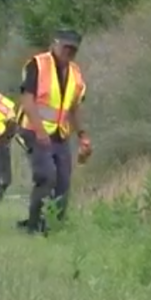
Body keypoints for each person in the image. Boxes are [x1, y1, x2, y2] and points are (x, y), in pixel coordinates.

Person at [16, 29, 92, 234]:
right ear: (55, 44)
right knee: (47, 176)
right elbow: (28, 99)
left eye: (73, 49)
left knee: (64, 181)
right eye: (66, 47)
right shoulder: (37, 65)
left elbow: (74, 108)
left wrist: (83, 135)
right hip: (34, 129)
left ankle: (53, 226)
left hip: (60, 134)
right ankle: (33, 225)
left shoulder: (75, 74)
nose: (69, 52)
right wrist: (40, 132)